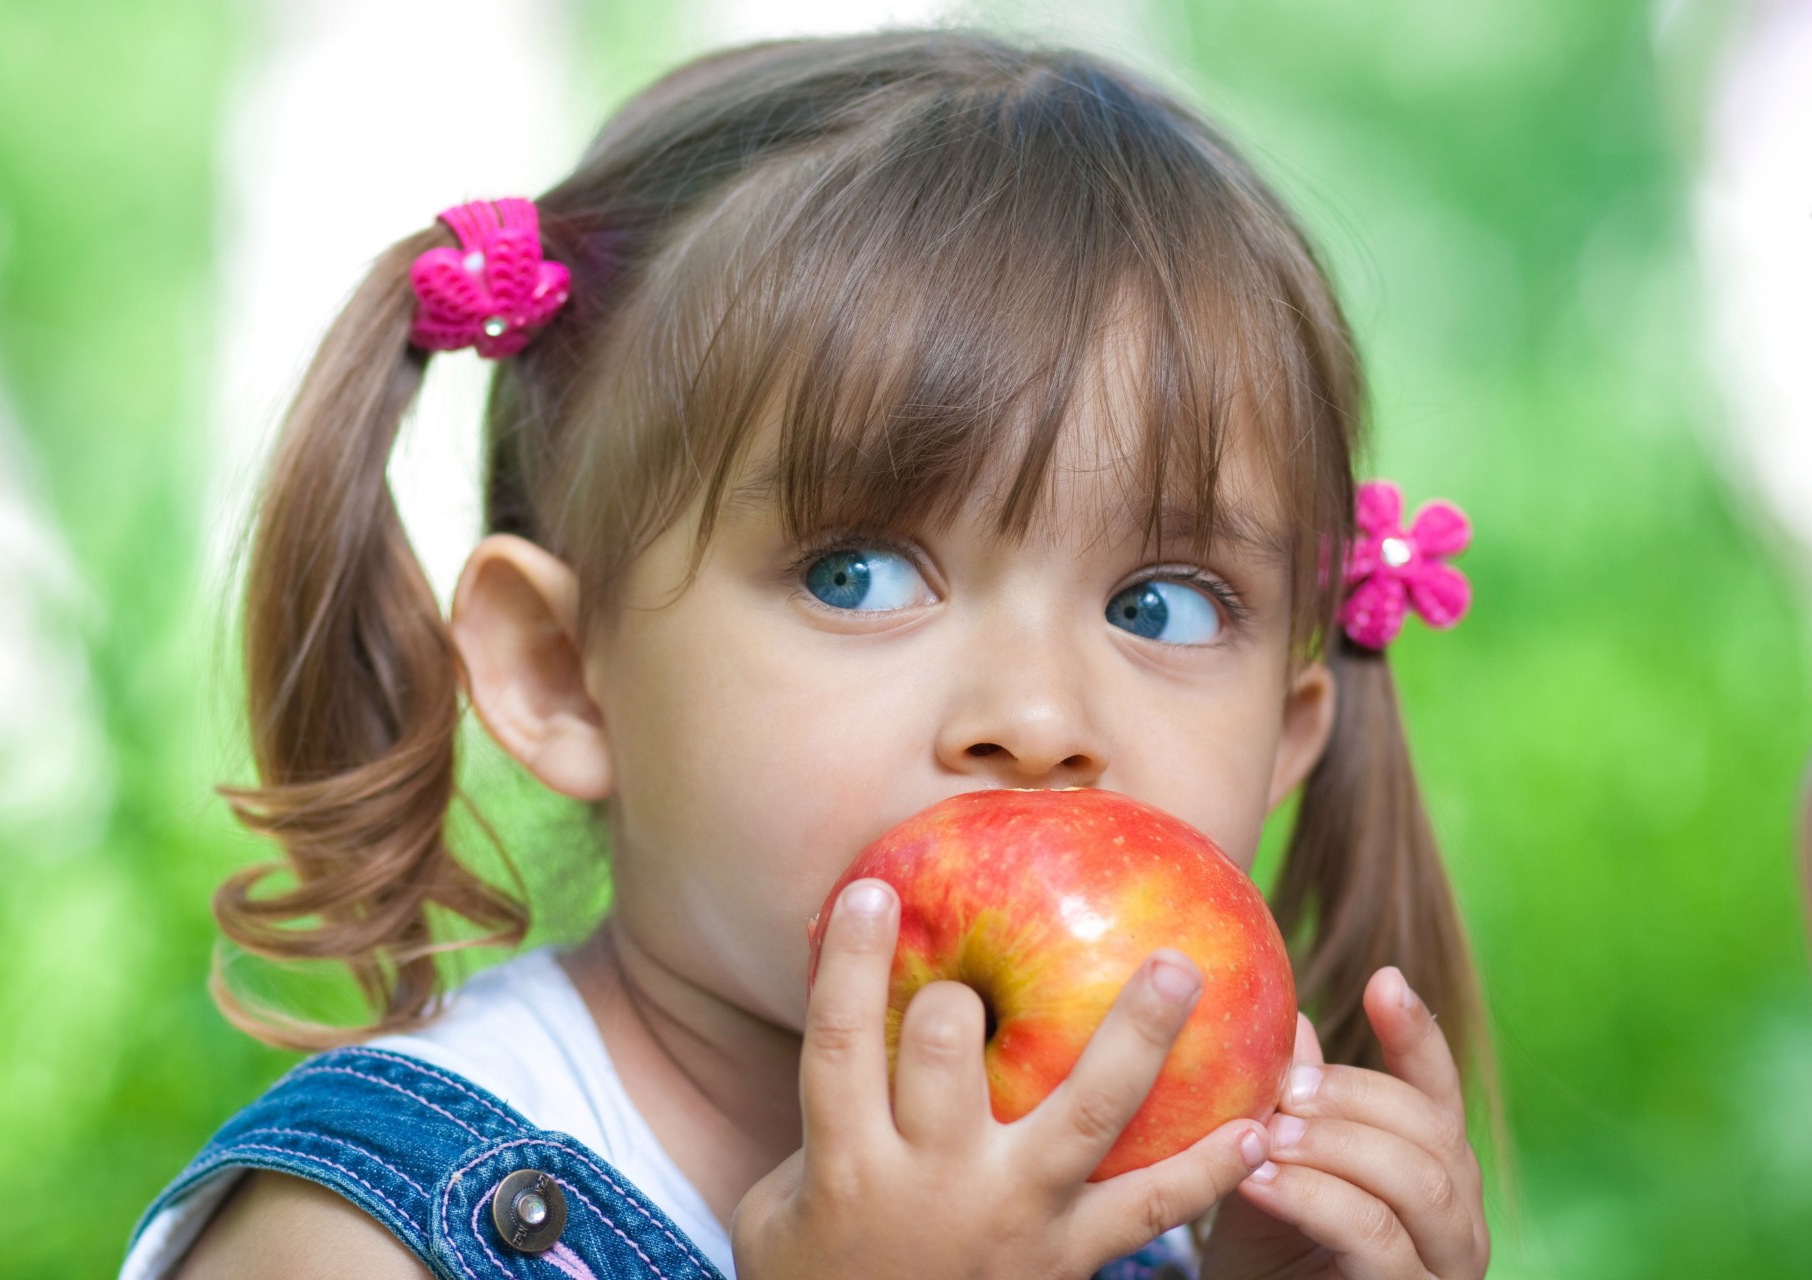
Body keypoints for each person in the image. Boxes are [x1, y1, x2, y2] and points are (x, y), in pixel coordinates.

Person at [121, 28, 1495, 1280]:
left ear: (1286, 740)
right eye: (860, 575)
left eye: (1161, 606)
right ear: (558, 672)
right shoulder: (355, 1239)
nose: (1036, 716)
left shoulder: (1146, 1214)